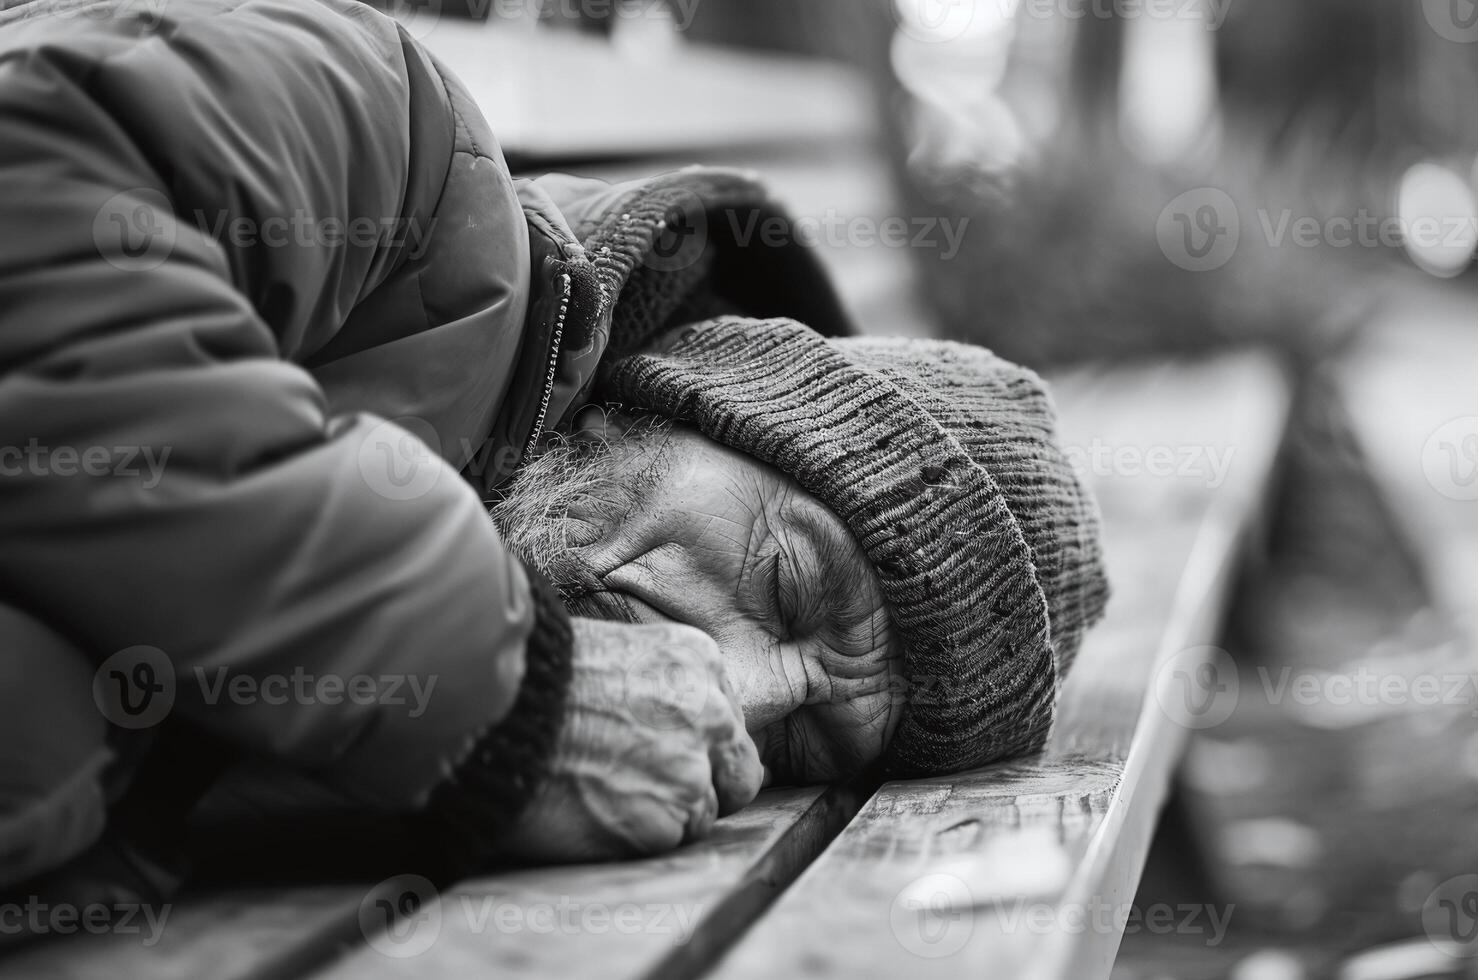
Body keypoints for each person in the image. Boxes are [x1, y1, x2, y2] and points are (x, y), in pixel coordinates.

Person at [0, 0, 1108, 910]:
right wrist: (499, 699)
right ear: (693, 399)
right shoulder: (400, 144)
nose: (731, 681)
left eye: (805, 740)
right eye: (785, 581)